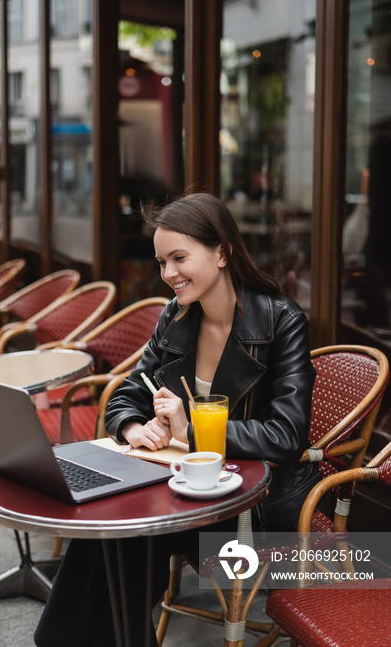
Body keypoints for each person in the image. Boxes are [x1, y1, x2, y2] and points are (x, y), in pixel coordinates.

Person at [35, 192, 320, 647]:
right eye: (161, 262)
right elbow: (127, 393)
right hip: (185, 486)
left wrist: (191, 429)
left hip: (257, 502)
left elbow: (286, 436)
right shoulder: (177, 317)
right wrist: (134, 427)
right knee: (110, 526)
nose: (168, 274)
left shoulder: (281, 323)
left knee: (128, 534)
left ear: (222, 252)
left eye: (179, 258)